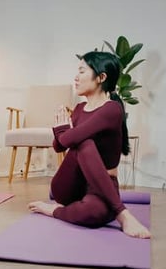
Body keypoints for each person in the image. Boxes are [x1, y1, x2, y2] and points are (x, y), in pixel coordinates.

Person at [28, 51, 151, 239]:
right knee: (82, 141)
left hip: (102, 186)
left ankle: (58, 211)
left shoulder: (111, 109)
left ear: (101, 77)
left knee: (93, 213)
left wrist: (62, 130)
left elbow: (66, 139)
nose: (76, 78)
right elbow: (59, 146)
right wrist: (62, 131)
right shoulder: (78, 110)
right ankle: (123, 215)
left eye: (82, 72)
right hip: (68, 186)